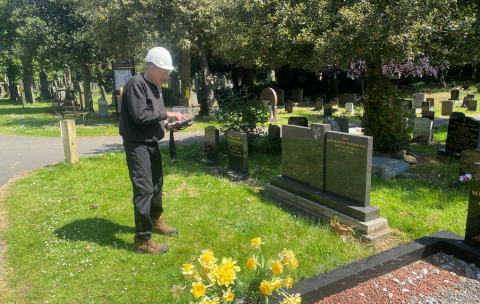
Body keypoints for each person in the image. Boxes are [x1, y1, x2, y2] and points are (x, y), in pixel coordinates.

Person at [119, 47, 186, 254]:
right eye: (164, 73)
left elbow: (155, 115)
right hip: (137, 144)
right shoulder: (135, 85)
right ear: (151, 68)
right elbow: (141, 116)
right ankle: (142, 240)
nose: (166, 77)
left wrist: (167, 124)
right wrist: (168, 113)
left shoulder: (156, 86)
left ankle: (156, 220)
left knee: (157, 185)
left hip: (152, 142)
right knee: (144, 190)